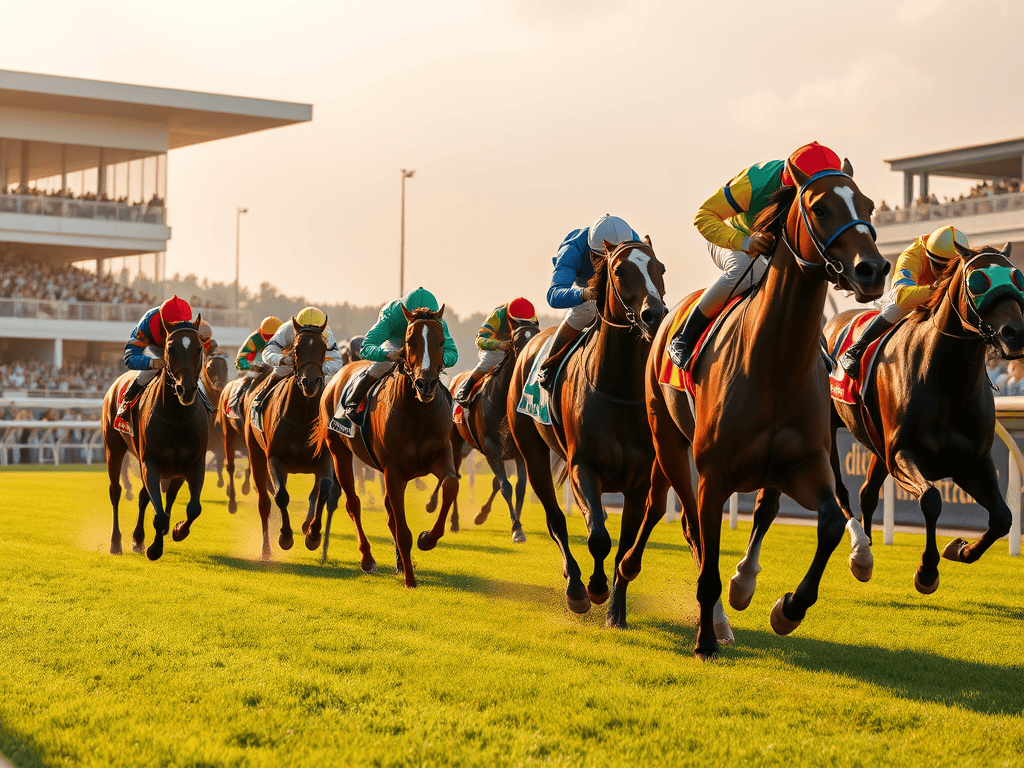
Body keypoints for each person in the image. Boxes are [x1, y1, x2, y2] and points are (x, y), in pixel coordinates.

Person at [667, 142, 845, 369]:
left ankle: (815, 344)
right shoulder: (755, 182)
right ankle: (684, 337)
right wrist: (744, 242)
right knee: (745, 269)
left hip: (771, 246)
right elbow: (704, 216)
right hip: (731, 237)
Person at [838, 225, 970, 378]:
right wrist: (940, 289)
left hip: (941, 296)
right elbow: (902, 295)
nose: (947, 274)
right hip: (910, 296)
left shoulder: (965, 255)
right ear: (929, 257)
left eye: (954, 269)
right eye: (941, 267)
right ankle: (855, 350)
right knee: (897, 306)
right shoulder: (911, 256)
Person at [538, 215, 639, 390]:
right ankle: (549, 366)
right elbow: (554, 294)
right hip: (588, 293)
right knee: (586, 310)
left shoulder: (632, 241)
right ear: (591, 251)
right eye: (601, 258)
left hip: (623, 291)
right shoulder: (573, 248)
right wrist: (583, 293)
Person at [339, 287, 458, 420]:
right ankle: (351, 406)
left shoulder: (437, 321)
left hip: (424, 345)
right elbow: (366, 347)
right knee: (380, 367)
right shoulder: (392, 315)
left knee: (442, 377)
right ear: (406, 314)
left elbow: (452, 353)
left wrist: (438, 361)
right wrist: (388, 355)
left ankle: (452, 416)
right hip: (396, 341)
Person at [250, 307, 343, 431]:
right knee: (272, 381)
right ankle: (258, 404)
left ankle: (338, 425)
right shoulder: (287, 328)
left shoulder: (326, 333)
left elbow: (338, 361)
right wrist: (283, 359)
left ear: (321, 328)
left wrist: (320, 367)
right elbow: (267, 352)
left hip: (317, 372)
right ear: (297, 326)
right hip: (286, 368)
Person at [115, 295, 194, 430]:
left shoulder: (186, 324)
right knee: (150, 372)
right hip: (155, 347)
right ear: (162, 321)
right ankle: (126, 404)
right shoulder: (146, 324)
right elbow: (129, 358)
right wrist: (152, 363)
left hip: (177, 349)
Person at [454, 297, 537, 404]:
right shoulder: (498, 314)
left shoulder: (531, 317)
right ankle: (465, 390)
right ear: (510, 318)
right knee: (489, 361)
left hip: (519, 347)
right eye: (518, 323)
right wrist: (499, 344)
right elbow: (480, 340)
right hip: (496, 349)